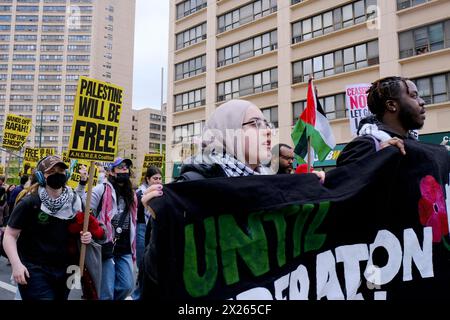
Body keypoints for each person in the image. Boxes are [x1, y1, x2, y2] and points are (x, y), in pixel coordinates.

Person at [140, 99, 325, 298]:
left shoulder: (272, 183)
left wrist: (312, 191)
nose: (267, 131)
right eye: (255, 124)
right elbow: (153, 279)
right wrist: (161, 224)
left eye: (267, 124)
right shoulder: (192, 187)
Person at [2, 155, 93, 300]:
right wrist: (16, 264)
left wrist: (86, 236)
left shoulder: (75, 202)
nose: (57, 175)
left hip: (66, 269)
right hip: (34, 269)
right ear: (40, 176)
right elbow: (9, 235)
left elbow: (80, 230)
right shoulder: (30, 202)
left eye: (61, 171)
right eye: (51, 172)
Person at [78, 157, 137, 300]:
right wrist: (82, 183)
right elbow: (82, 207)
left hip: (125, 247)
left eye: (126, 167)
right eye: (120, 167)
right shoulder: (101, 189)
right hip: (105, 246)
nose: (125, 169)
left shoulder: (132, 193)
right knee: (106, 292)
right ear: (111, 171)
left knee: (127, 286)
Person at [337, 76, 424, 166]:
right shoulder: (366, 146)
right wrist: (380, 157)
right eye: (413, 96)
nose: (422, 102)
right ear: (391, 105)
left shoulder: (414, 145)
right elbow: (343, 178)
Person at [131, 166, 162, 300]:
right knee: (144, 264)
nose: (158, 181)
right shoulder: (139, 194)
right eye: (155, 178)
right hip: (141, 229)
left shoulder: (162, 193)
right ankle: (138, 294)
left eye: (160, 178)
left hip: (155, 229)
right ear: (148, 179)